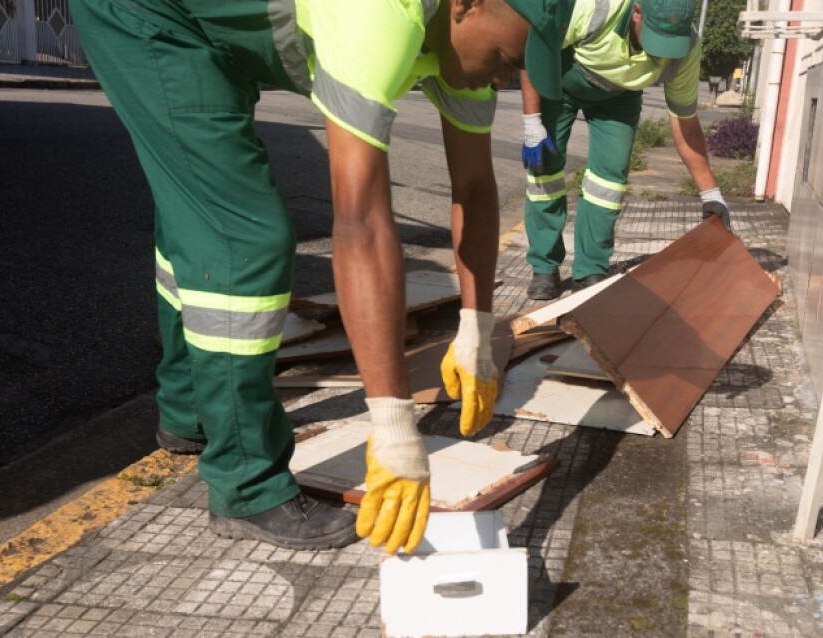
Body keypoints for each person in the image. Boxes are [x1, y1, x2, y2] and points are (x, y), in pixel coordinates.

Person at [70, 0, 570, 555]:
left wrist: (477, 330)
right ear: (465, 4)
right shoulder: (377, 16)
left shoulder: (467, 52)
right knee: (241, 237)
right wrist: (394, 430)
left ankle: (189, 413)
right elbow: (360, 222)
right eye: (507, 56)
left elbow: (474, 187)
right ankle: (247, 484)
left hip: (211, 29)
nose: (505, 77)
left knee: (201, 211)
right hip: (146, 16)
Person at [519, 0, 732, 300]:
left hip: (618, 98)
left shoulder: (687, 48)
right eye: (657, 38)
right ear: (636, 11)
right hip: (561, 80)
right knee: (545, 170)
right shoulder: (594, 8)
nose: (661, 54)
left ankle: (591, 268)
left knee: (608, 180)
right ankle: (544, 267)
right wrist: (532, 123)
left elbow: (685, 122)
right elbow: (535, 46)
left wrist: (710, 193)